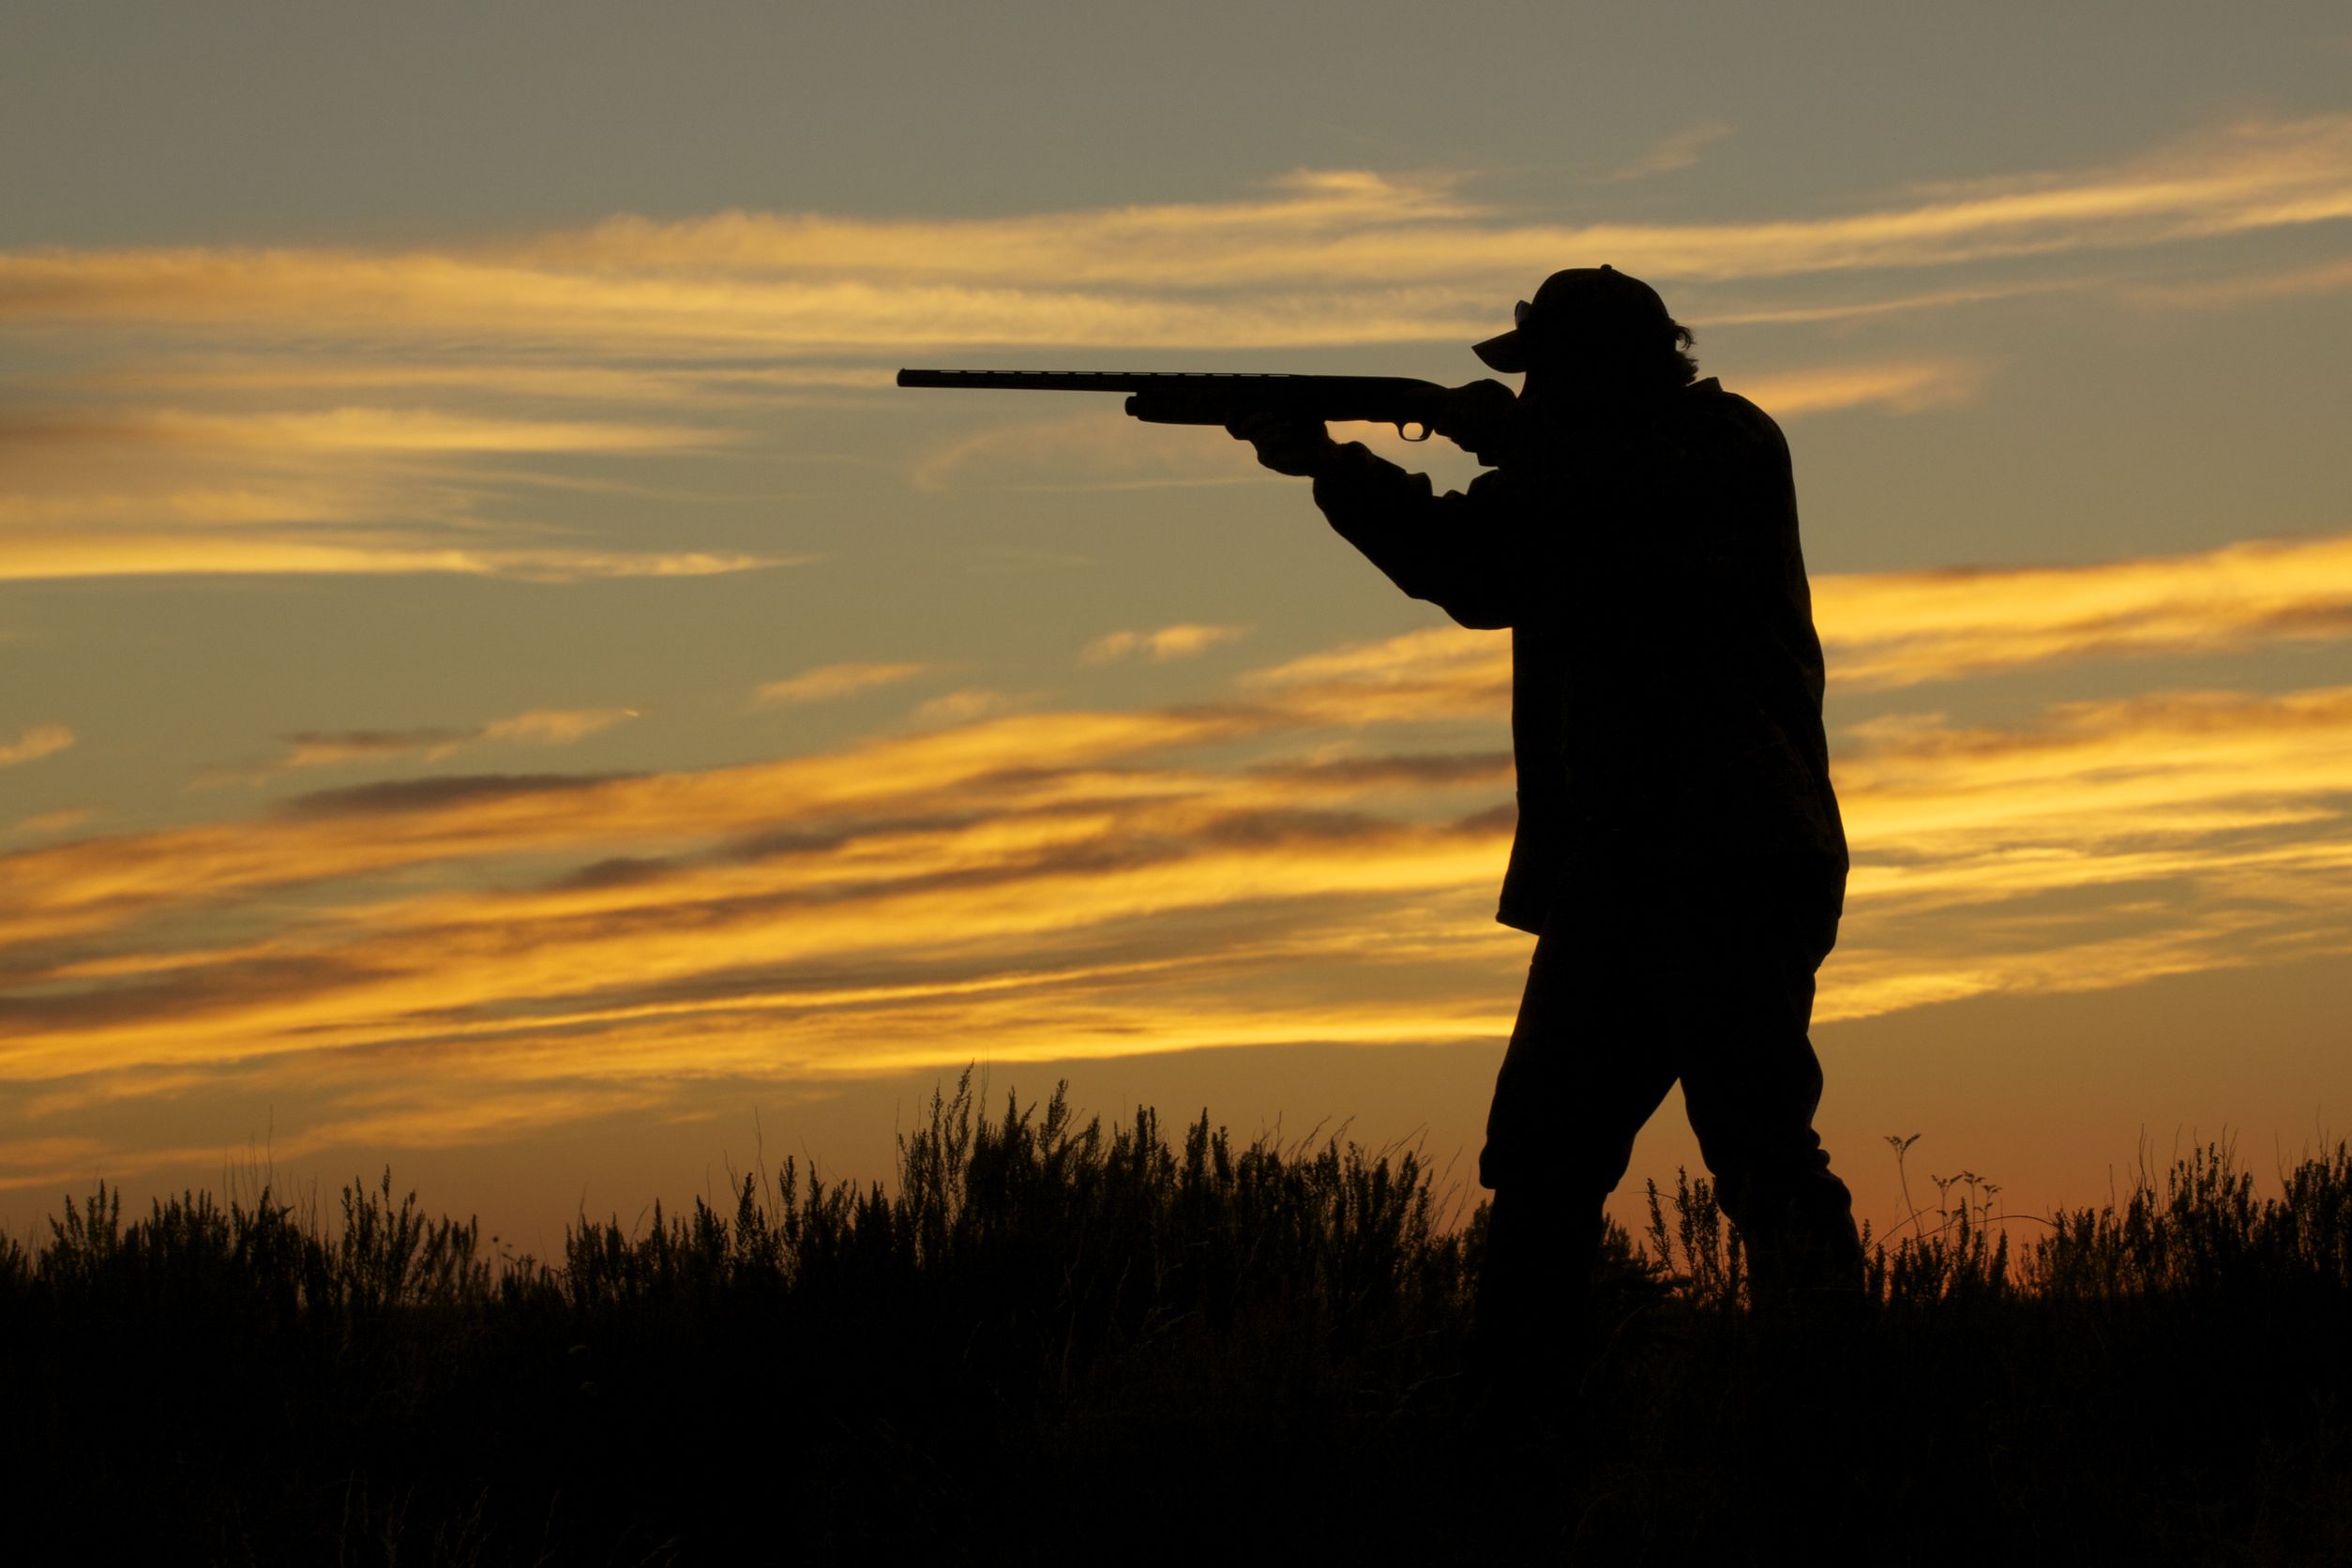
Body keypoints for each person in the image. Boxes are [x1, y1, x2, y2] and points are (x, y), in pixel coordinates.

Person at [1226, 266, 1866, 1375]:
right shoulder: (1599, 471)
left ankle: (1826, 1403)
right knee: (1542, 1161)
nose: (1537, 394)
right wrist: (1336, 462)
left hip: (1719, 861)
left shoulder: (1716, 447)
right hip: (1634, 868)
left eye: (1551, 372)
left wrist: (1345, 465)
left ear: (1610, 369)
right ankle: (1530, 1422)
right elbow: (1484, 556)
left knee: (1755, 1151)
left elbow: (1486, 569)